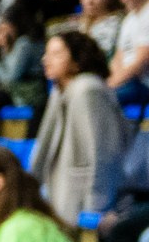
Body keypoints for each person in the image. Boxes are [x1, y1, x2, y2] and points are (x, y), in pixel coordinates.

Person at [31, 30, 135, 219]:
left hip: (86, 201)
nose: (46, 59)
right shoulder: (59, 90)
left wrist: (95, 208)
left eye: (56, 54)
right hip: (64, 196)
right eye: (46, 53)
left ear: (77, 60)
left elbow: (102, 153)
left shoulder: (88, 90)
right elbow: (45, 144)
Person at [111, 0, 149, 110]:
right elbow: (118, 58)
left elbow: (141, 62)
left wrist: (111, 85)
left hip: (143, 83)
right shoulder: (128, 19)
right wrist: (110, 80)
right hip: (129, 81)